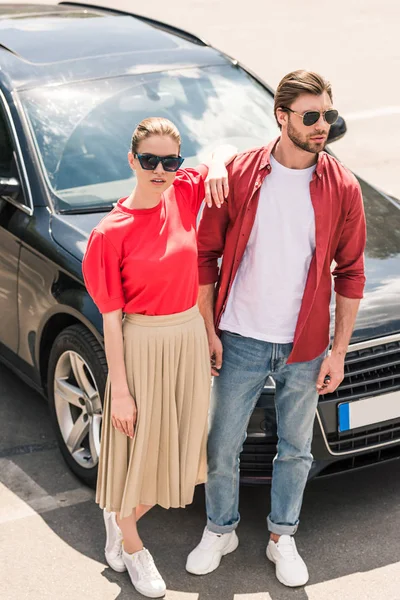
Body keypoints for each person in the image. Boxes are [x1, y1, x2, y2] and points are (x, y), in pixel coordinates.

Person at [186, 70, 367, 588]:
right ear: (281, 117)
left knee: (296, 447)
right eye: (311, 117)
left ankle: (282, 535)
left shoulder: (342, 186)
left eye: (328, 116)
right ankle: (220, 528)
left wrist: (338, 350)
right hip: (239, 336)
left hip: (305, 345)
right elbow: (205, 256)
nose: (322, 127)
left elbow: (351, 273)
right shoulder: (241, 174)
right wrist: (208, 328)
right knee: (222, 444)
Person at [82, 117, 231, 598]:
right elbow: (111, 319)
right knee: (144, 451)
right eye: (151, 161)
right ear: (132, 160)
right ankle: (132, 546)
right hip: (142, 345)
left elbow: (223, 146)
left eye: (171, 161)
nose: (161, 170)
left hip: (188, 336)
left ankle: (118, 515)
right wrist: (119, 391)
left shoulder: (185, 191)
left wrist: (207, 330)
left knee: (183, 457)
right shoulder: (110, 233)